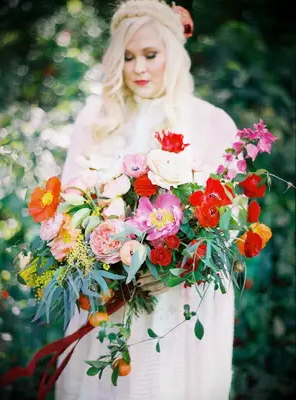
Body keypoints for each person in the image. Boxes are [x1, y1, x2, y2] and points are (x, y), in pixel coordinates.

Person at [56, 1, 237, 399]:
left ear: (172, 55)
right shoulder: (96, 121)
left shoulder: (211, 123)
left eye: (150, 55)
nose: (138, 68)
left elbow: (228, 232)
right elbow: (66, 210)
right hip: (106, 299)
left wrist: (178, 268)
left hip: (175, 305)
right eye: (127, 57)